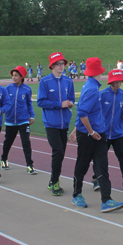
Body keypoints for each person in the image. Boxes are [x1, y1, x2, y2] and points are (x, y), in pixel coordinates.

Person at [69, 58, 123, 213]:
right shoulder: (92, 89)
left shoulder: (91, 86)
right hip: (89, 135)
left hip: (100, 133)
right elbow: (82, 112)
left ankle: (106, 200)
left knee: (102, 165)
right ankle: (76, 194)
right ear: (99, 72)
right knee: (83, 163)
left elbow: (83, 109)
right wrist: (90, 132)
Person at [82, 69, 123, 193]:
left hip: (118, 133)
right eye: (115, 81)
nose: (118, 83)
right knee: (100, 157)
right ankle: (96, 179)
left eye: (120, 81)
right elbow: (94, 113)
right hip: (103, 133)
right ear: (111, 82)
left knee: (122, 155)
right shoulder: (102, 95)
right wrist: (94, 129)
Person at [37, 52, 75, 196]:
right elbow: (41, 101)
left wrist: (70, 103)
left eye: (63, 64)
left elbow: (71, 98)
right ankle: (55, 182)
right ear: (52, 66)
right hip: (51, 123)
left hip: (64, 123)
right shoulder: (45, 82)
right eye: (58, 64)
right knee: (58, 151)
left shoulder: (68, 81)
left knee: (60, 153)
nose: (61, 66)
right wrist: (60, 104)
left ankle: (52, 180)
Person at [1, 65, 37, 174]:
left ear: (22, 77)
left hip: (23, 120)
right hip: (10, 120)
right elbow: (4, 103)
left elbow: (29, 103)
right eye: (13, 76)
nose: (13, 77)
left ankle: (29, 165)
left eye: (16, 75)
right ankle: (4, 159)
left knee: (26, 142)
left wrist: (32, 116)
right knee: (8, 142)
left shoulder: (27, 89)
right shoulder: (8, 88)